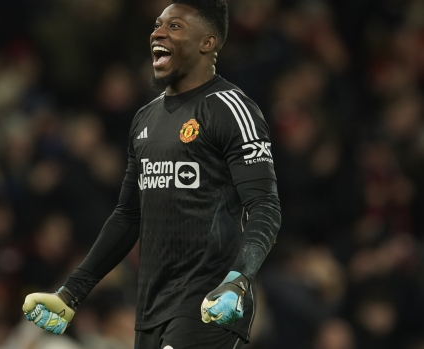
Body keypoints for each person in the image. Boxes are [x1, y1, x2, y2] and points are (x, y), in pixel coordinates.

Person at [22, 1, 282, 348]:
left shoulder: (231, 109)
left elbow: (265, 206)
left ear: (207, 42)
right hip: (151, 308)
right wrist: (72, 292)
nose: (157, 33)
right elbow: (128, 216)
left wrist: (238, 280)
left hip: (210, 302)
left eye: (174, 26)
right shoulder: (145, 119)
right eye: (157, 25)